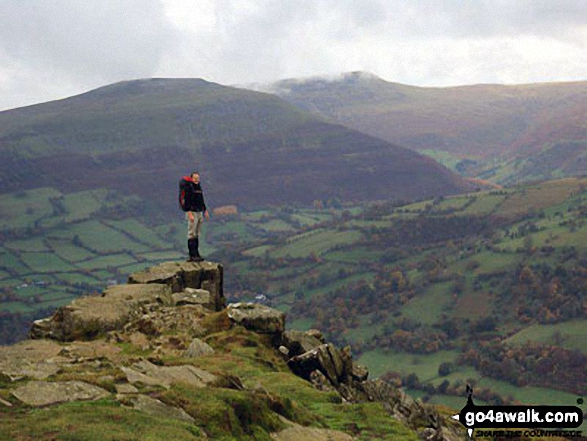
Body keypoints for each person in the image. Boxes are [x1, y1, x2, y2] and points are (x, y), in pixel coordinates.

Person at [180, 172, 210, 262]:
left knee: (197, 234)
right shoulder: (189, 188)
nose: (197, 179)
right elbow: (187, 201)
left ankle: (196, 254)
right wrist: (189, 213)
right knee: (191, 234)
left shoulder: (198, 188)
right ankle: (192, 255)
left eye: (198, 178)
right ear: (191, 179)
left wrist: (205, 210)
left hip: (199, 211)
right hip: (192, 212)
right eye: (195, 178)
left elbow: (201, 200)